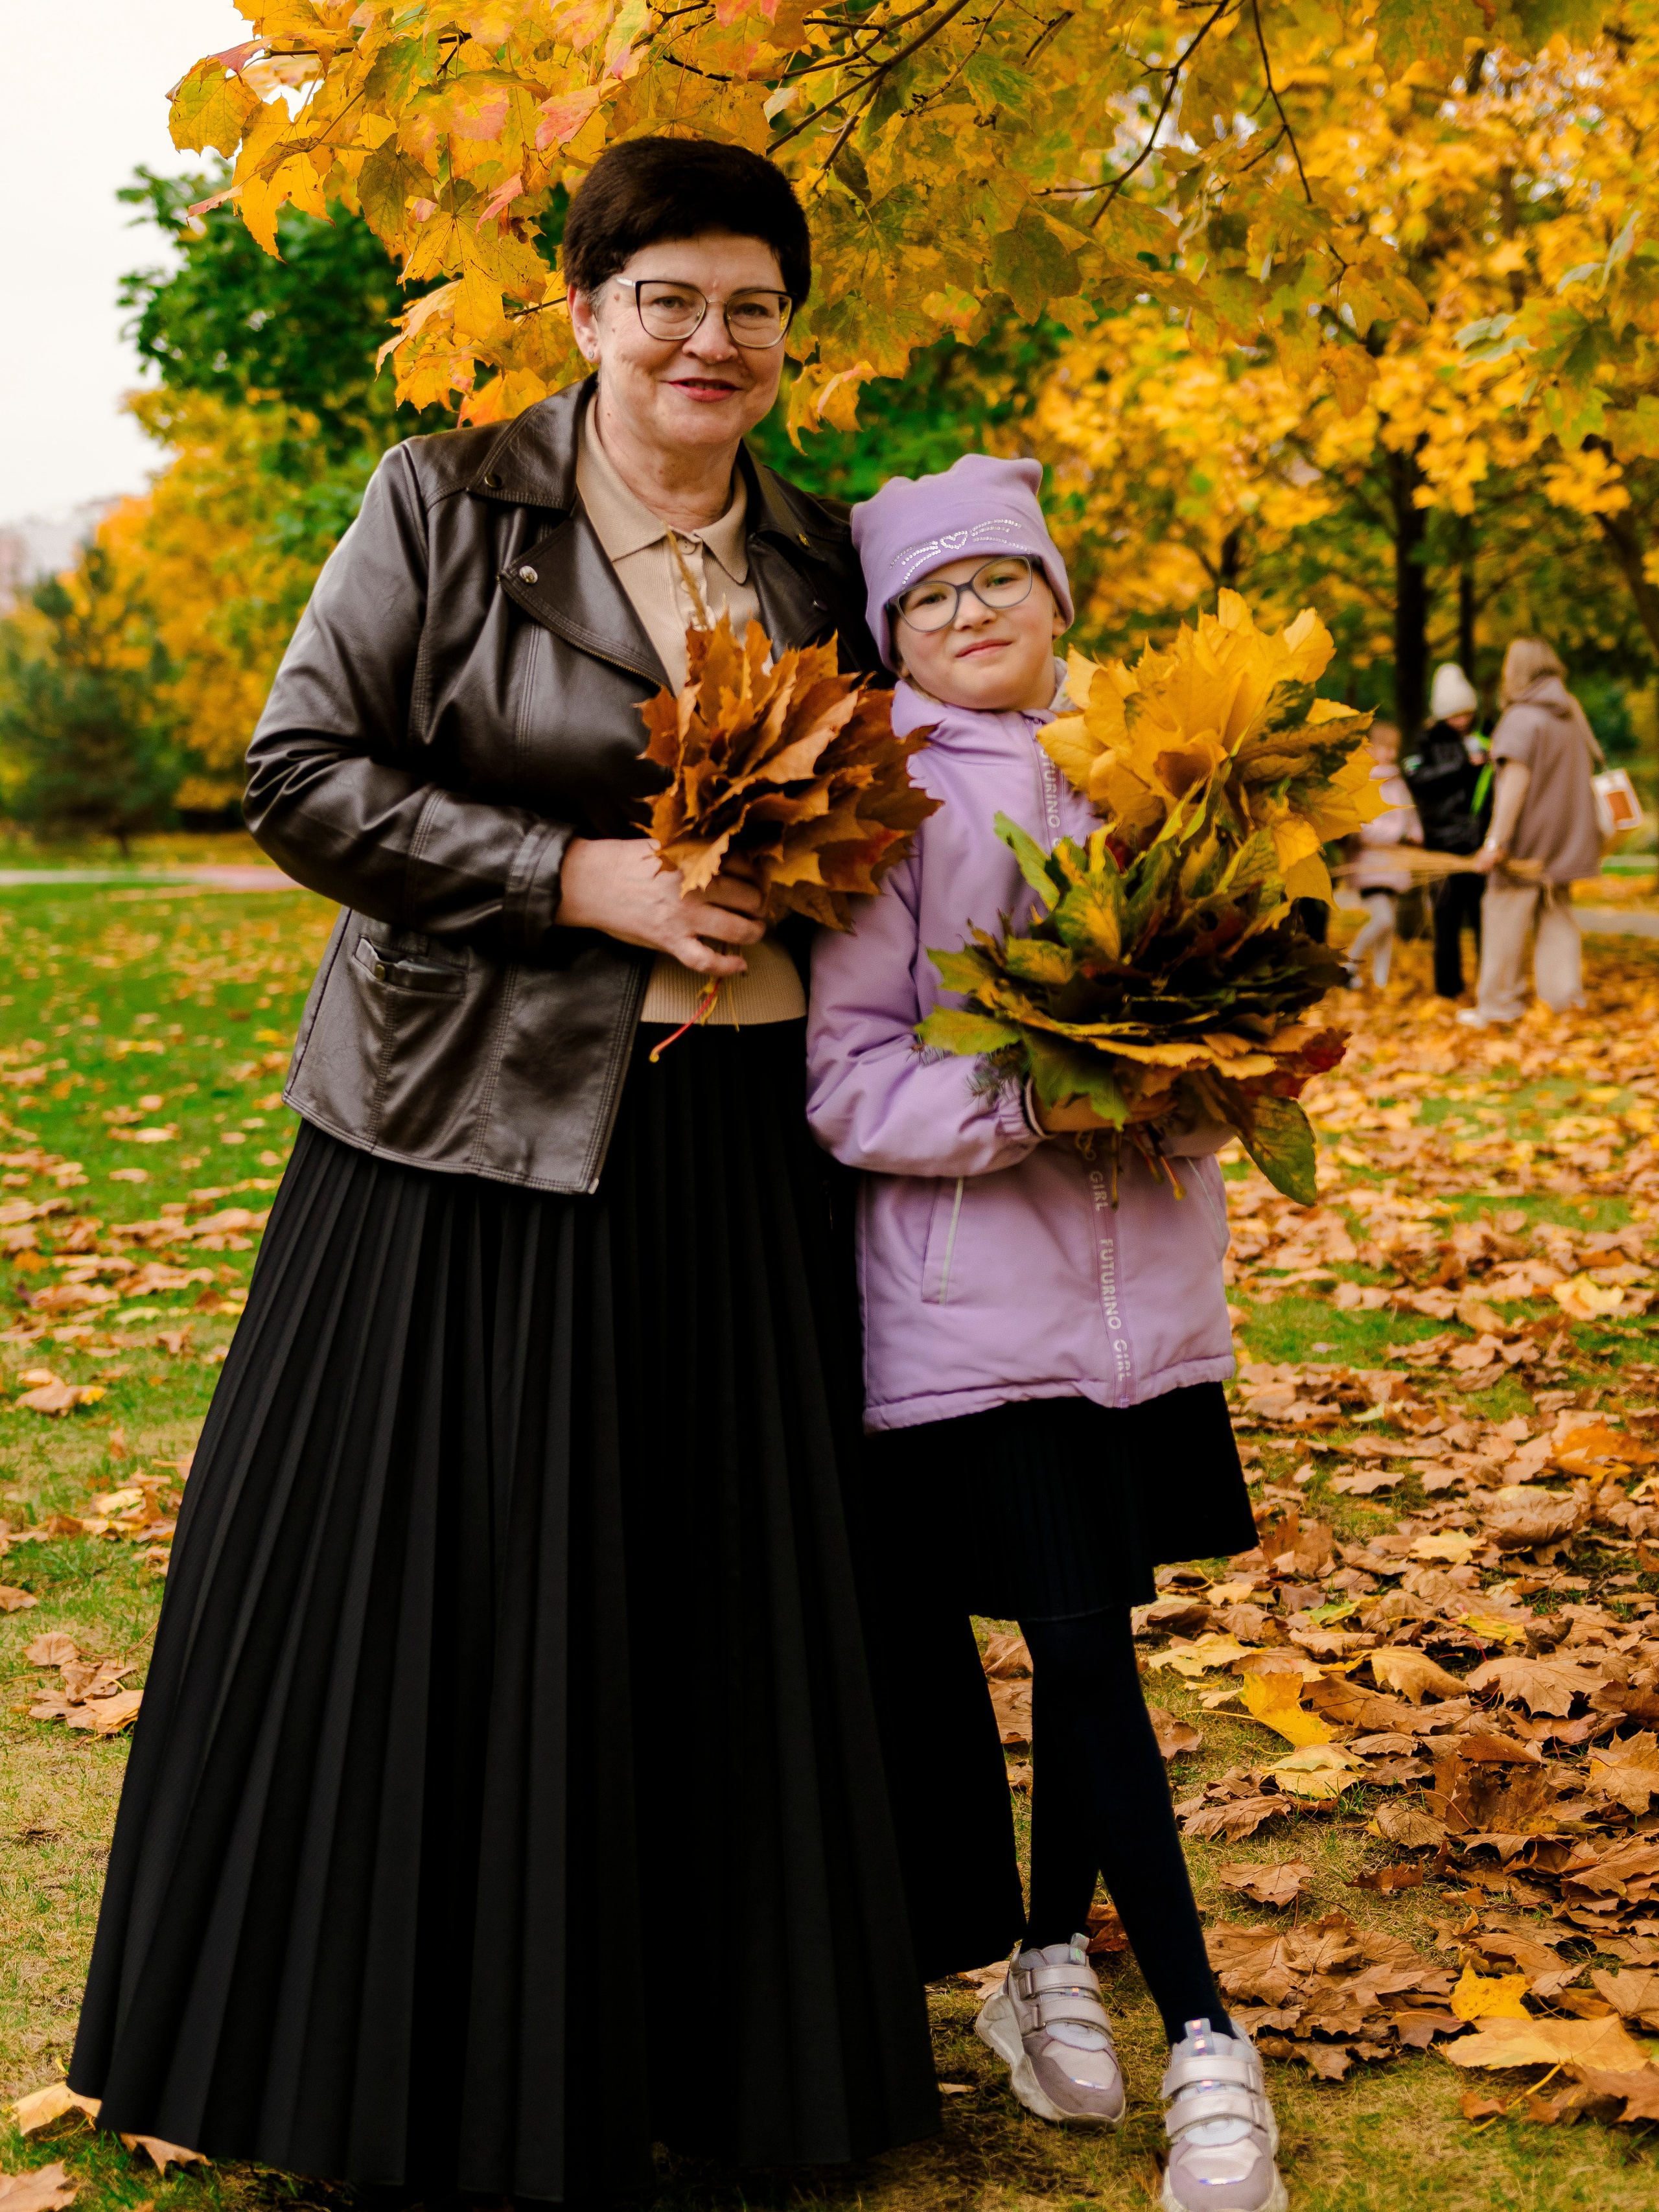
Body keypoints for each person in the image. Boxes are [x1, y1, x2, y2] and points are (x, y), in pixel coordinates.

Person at [68, 138, 959, 2201]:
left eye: (749, 306)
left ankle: (729, 2063)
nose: (707, 341)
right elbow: (302, 772)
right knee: (448, 1607)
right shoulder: (444, 504)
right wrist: (580, 877)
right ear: (582, 312)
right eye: (666, 299)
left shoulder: (829, 559)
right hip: (469, 1134)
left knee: (717, 1607)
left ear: (787, 338)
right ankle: (402, 2059)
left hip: (743, 1153)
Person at [806, 456, 1287, 2212]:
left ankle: (1037, 1953)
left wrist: (1199, 1071)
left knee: (1098, 1642)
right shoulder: (885, 799)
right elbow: (849, 1080)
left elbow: (1228, 1024)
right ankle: (1209, 2039)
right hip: (971, 1303)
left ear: (1058, 602)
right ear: (894, 633)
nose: (974, 611)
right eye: (934, 596)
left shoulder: (1141, 776)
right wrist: (1035, 1093)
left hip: (1145, 1304)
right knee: (1084, 1648)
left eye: (1003, 579)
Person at [1461, 636, 1604, 1027]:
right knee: (1557, 916)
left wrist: (1494, 843)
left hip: (1525, 847)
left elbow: (1512, 790)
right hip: (1567, 837)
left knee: (1503, 916)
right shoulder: (1570, 711)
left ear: (1517, 670)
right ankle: (1563, 1000)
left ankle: (1498, 1005)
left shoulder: (1521, 718)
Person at [1403, 663, 1489, 999]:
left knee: (1485, 920)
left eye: (1467, 714)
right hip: (1442, 845)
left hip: (1477, 844)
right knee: (1446, 921)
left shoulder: (1482, 734)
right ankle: (1448, 988)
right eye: (1455, 715)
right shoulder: (1424, 742)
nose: (1462, 721)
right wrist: (1463, 767)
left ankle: (1488, 983)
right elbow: (1417, 778)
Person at [1344, 720, 1421, 988]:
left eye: (1394, 749)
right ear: (1371, 750)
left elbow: (1408, 813)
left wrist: (1415, 833)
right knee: (1383, 919)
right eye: (1384, 748)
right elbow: (1362, 828)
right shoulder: (1362, 783)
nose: (1390, 754)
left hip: (1395, 865)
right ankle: (1348, 964)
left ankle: (1381, 980)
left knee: (1388, 928)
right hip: (1369, 866)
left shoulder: (1398, 783)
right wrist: (1396, 835)